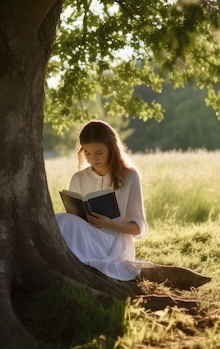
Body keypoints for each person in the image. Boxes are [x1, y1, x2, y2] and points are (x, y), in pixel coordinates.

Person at [56, 120, 211, 289]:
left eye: (99, 152)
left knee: (68, 223)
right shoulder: (78, 178)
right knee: (62, 219)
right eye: (87, 154)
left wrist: (109, 223)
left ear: (111, 148)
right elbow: (74, 217)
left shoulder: (129, 177)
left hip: (116, 240)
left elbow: (137, 229)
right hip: (86, 235)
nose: (93, 159)